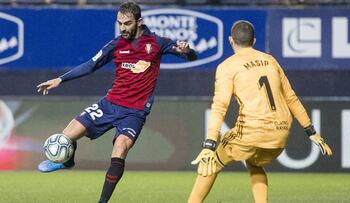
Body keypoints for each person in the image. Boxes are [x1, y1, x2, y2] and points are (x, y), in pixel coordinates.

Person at [36, 2, 197, 203]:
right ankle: (67, 161)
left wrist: (187, 50)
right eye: (120, 23)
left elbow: (190, 56)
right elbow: (90, 65)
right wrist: (60, 79)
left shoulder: (156, 42)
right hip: (109, 104)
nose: (123, 28)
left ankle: (102, 202)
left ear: (139, 22)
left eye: (127, 23)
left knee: (120, 148)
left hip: (134, 112)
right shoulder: (116, 45)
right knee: (67, 136)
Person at [187, 20, 332, 203]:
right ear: (254, 41)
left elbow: (220, 106)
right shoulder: (270, 60)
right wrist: (311, 131)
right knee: (255, 164)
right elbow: (291, 98)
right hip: (280, 133)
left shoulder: (227, 66)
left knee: (211, 162)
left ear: (231, 40)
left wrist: (209, 144)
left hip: (251, 131)